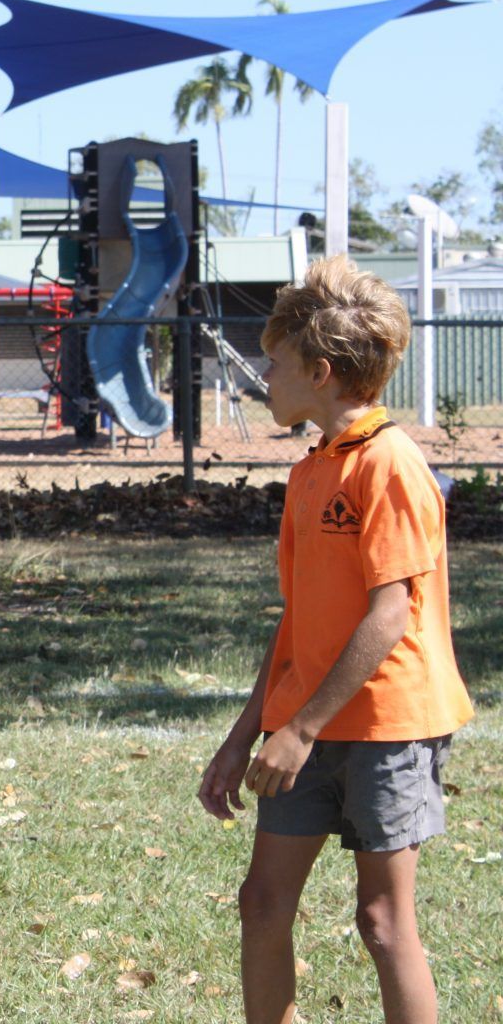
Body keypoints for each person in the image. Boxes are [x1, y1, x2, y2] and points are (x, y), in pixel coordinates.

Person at [198, 256, 473, 1024]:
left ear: (320, 372)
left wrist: (301, 731)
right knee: (262, 902)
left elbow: (390, 615)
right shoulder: (312, 469)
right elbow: (297, 620)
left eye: (275, 364)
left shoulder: (389, 464)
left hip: (388, 727)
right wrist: (243, 735)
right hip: (305, 726)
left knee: (383, 924)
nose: (263, 377)